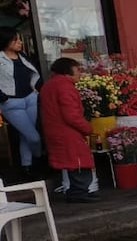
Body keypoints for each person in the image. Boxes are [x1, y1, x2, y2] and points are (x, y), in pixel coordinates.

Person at [39, 58, 96, 203]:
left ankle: (78, 192)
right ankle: (78, 193)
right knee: (78, 162)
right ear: (67, 72)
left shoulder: (49, 86)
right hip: (67, 131)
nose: (80, 74)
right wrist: (88, 128)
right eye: (78, 71)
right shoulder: (65, 87)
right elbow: (71, 115)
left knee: (72, 162)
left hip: (56, 130)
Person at [0, 27, 42, 177]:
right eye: (15, 40)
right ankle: (39, 157)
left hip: (30, 98)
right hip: (11, 103)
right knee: (33, 136)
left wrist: (36, 90)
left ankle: (27, 166)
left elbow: (34, 73)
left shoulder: (23, 56)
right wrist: (2, 97)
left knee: (26, 135)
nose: (19, 42)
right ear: (6, 41)